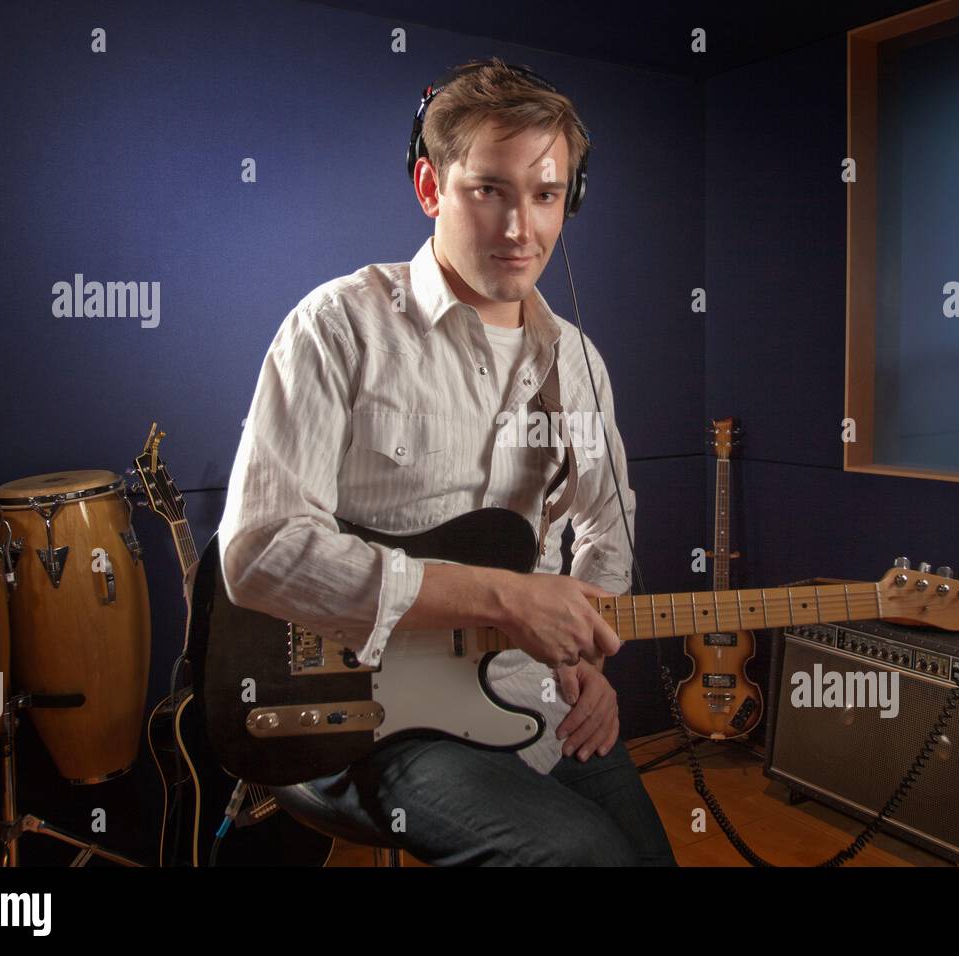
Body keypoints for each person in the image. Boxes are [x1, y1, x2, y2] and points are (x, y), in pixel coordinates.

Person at [217, 57, 676, 866]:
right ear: (431, 187)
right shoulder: (337, 326)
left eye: (544, 195)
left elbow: (607, 528)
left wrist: (585, 654)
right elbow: (259, 551)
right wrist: (503, 595)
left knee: (644, 856)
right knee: (576, 855)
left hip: (526, 693)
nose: (519, 229)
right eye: (487, 190)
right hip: (355, 712)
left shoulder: (577, 363)